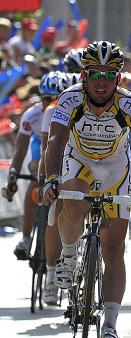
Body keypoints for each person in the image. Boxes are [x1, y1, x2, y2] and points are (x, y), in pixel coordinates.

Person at [41, 41, 131, 338]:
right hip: (78, 162)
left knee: (114, 249)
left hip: (116, 171)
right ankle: (68, 253)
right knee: (74, 204)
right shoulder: (69, 99)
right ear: (84, 75)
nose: (102, 82)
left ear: (118, 79)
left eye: (109, 76)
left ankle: (109, 323)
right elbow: (55, 142)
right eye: (96, 74)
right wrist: (51, 178)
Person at [4, 72, 61, 259]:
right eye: (47, 99)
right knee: (36, 174)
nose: (51, 104)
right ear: (40, 98)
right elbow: (20, 150)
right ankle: (26, 238)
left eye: (57, 99)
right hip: (40, 143)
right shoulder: (32, 115)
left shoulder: (70, 112)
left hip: (63, 145)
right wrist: (12, 176)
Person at [36, 72, 81, 305]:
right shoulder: (52, 111)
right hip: (59, 161)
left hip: (84, 161)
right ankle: (51, 277)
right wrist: (44, 179)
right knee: (57, 211)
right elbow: (47, 148)